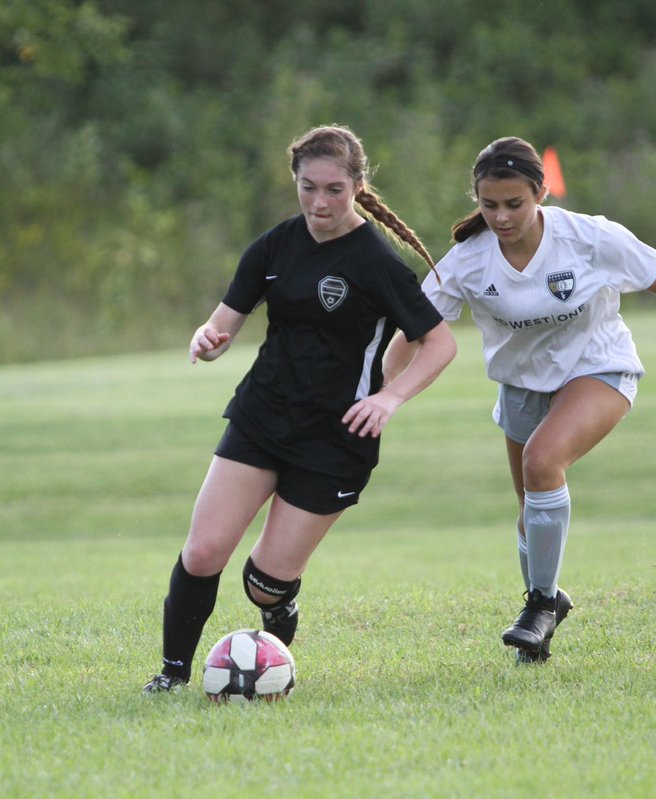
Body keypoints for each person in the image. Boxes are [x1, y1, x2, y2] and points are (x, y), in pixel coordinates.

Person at [384, 136, 656, 664]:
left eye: (514, 204)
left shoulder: (589, 237)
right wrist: (381, 396)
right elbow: (414, 332)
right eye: (489, 205)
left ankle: (542, 604)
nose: (501, 217)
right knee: (530, 515)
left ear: (541, 193)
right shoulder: (467, 262)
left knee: (542, 463)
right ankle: (539, 628)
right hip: (521, 386)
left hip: (599, 369)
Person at [143, 124, 457, 693]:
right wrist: (207, 341)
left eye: (334, 189)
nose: (320, 202)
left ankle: (277, 608)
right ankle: (171, 674)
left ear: (358, 187)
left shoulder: (377, 263)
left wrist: (389, 397)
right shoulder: (274, 246)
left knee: (263, 582)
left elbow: (441, 343)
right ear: (294, 181)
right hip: (263, 416)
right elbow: (222, 323)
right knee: (205, 549)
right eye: (308, 187)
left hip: (336, 439)